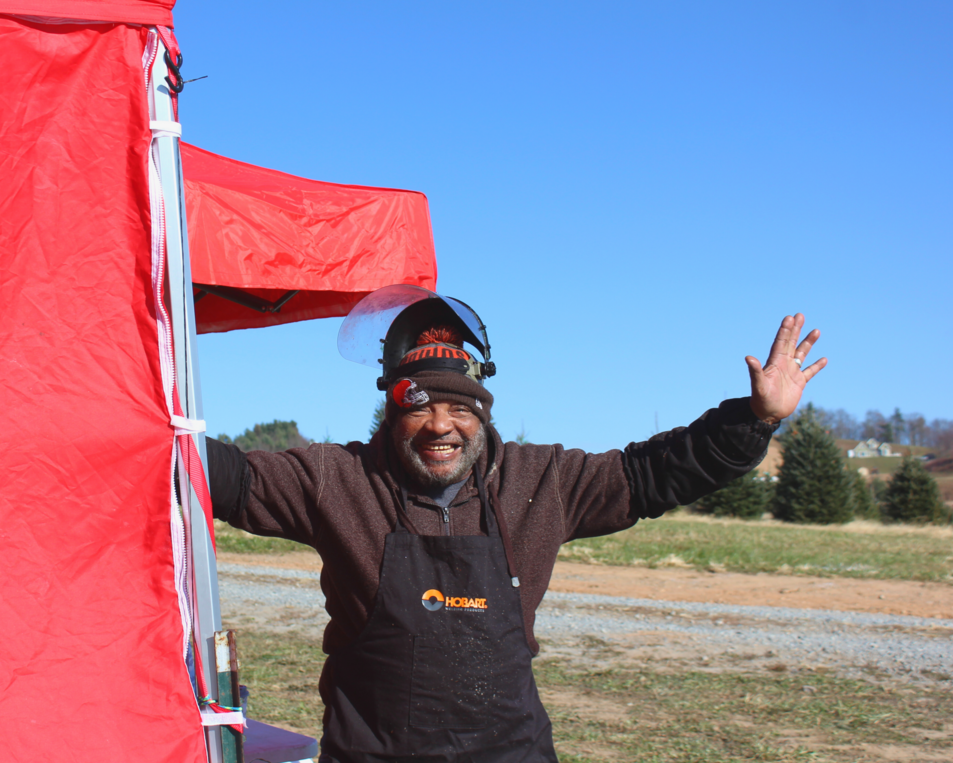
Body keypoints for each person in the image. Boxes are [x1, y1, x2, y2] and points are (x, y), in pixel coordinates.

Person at [206, 289, 827, 763]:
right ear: (392, 407)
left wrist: (753, 419)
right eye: (418, 404)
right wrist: (143, 413)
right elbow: (227, 478)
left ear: (483, 412)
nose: (441, 425)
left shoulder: (542, 481)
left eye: (459, 406)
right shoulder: (335, 479)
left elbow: (654, 473)